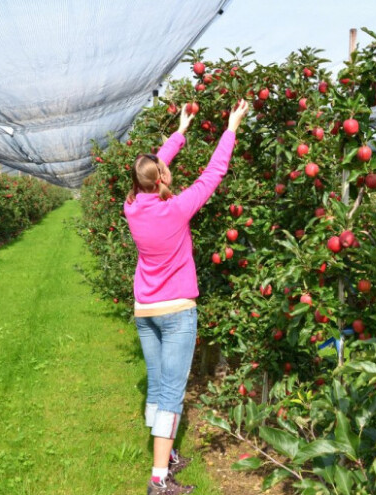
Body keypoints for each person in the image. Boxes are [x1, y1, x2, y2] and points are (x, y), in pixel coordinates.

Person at [124, 99, 249, 494]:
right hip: (177, 311)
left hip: (145, 310)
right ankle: (159, 480)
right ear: (160, 178)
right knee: (171, 395)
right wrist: (231, 128)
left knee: (158, 384)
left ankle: (168, 455)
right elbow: (214, 173)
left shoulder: (131, 207)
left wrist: (180, 132)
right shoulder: (176, 209)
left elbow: (149, 168)